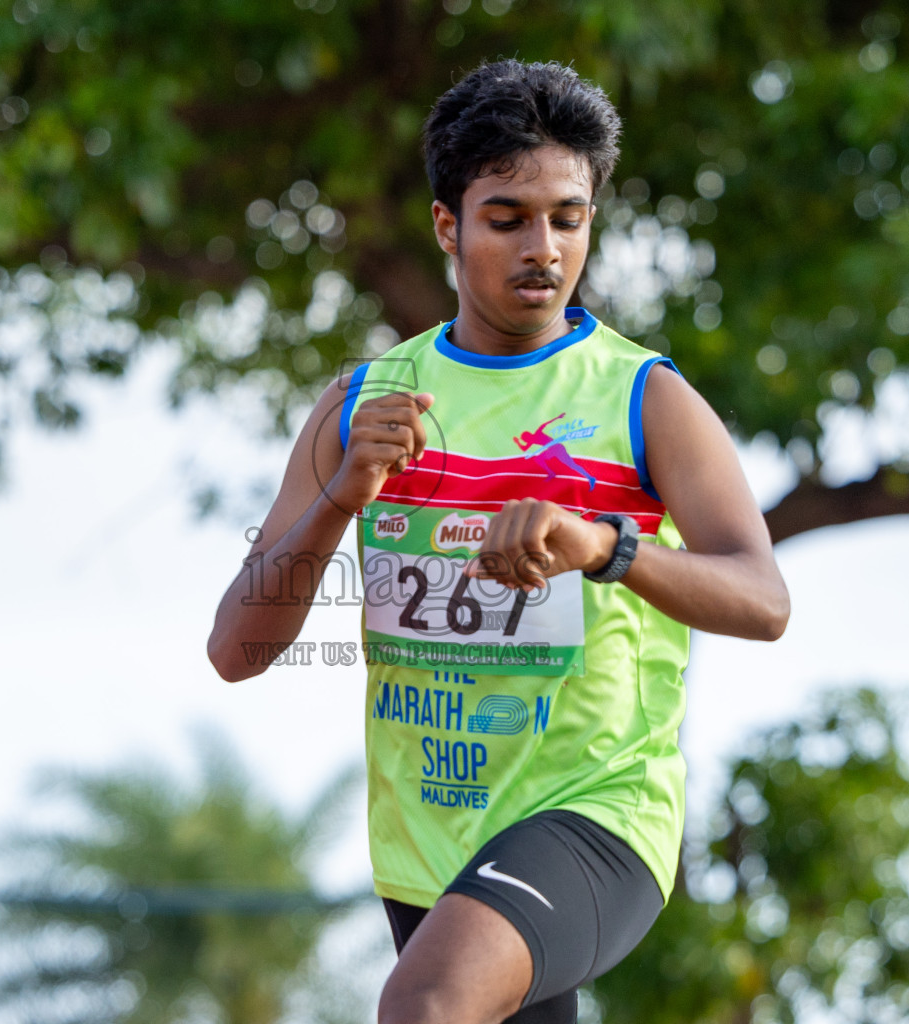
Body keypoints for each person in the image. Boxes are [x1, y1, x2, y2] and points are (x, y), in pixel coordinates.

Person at [208, 59, 789, 1024]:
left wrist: (602, 546)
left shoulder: (647, 398)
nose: (545, 249)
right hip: (426, 836)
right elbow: (237, 649)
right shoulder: (362, 405)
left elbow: (764, 600)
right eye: (508, 217)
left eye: (569, 217)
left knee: (427, 1006)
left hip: (597, 812)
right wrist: (341, 499)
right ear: (448, 224)